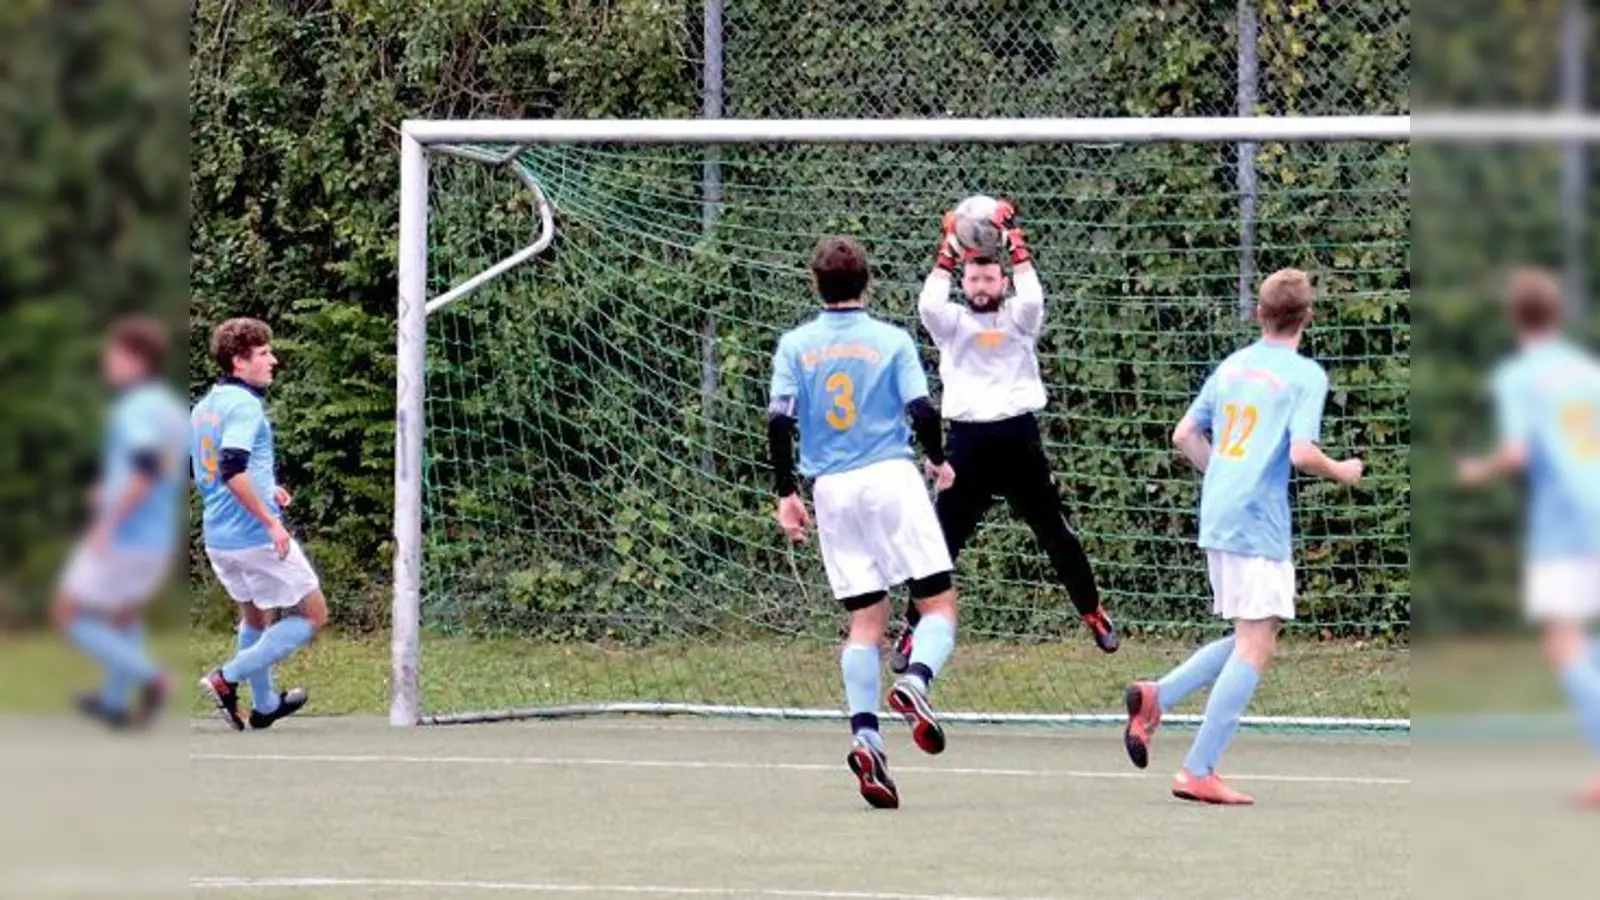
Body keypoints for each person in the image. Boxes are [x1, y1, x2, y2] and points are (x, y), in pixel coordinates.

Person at [1121, 268, 1364, 805]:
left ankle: (1157, 696)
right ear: (1308, 318)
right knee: (1255, 645)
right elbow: (1301, 453)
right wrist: (1344, 471)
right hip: (1258, 521)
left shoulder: (1231, 367)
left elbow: (1184, 435)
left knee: (1248, 636)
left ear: (1259, 313)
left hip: (1219, 515)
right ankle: (1198, 770)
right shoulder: (1306, 376)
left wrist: (1223, 477)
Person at [767, 236, 959, 809]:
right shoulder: (891, 340)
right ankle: (916, 682)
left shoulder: (795, 345)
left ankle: (866, 736)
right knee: (938, 604)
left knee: (865, 623)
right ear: (867, 282)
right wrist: (940, 460)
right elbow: (922, 410)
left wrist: (786, 494)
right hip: (889, 480)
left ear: (816, 284)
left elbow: (779, 422)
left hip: (831, 491)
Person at [892, 200, 1116, 674]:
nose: (980, 286)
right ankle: (913, 630)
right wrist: (948, 247)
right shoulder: (951, 324)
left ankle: (1092, 611)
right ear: (963, 282)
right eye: (973, 279)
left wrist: (1015, 241)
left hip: (1018, 440)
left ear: (1002, 282)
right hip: (967, 445)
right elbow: (929, 302)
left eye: (989, 279)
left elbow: (1032, 296)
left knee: (1055, 532)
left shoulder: (1019, 317)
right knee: (940, 543)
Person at [1457, 267, 1600, 808]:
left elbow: (1518, 453)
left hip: (1564, 523)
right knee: (1581, 639)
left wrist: (1477, 471)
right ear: (1558, 315)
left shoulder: (1520, 377)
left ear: (1514, 320)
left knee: (1563, 641)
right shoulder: (1587, 371)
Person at [53, 316, 187, 729]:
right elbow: (168, 468)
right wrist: (109, 489)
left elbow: (145, 468)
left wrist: (107, 522)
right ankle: (113, 703)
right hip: (158, 535)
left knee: (68, 613)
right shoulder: (171, 409)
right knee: (123, 617)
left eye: (114, 354)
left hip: (127, 534)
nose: (107, 362)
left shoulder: (135, 407)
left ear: (139, 359)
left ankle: (155, 679)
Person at [192, 318, 319, 731]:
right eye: (263, 354)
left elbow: (205, 471)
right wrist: (270, 521)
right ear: (238, 360)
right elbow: (231, 468)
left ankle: (264, 706)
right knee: (313, 616)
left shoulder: (204, 406)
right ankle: (225, 678)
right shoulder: (245, 406)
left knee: (256, 619)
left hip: (220, 537)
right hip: (253, 535)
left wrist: (268, 489)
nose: (273, 361)